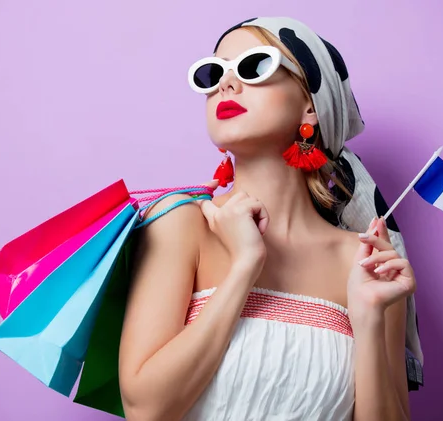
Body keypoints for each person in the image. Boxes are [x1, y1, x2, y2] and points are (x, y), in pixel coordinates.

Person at [117, 17, 423, 421]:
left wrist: (367, 321)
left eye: (253, 66)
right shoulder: (180, 224)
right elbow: (145, 408)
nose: (226, 84)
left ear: (310, 104)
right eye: (212, 74)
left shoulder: (366, 263)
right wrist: (245, 266)